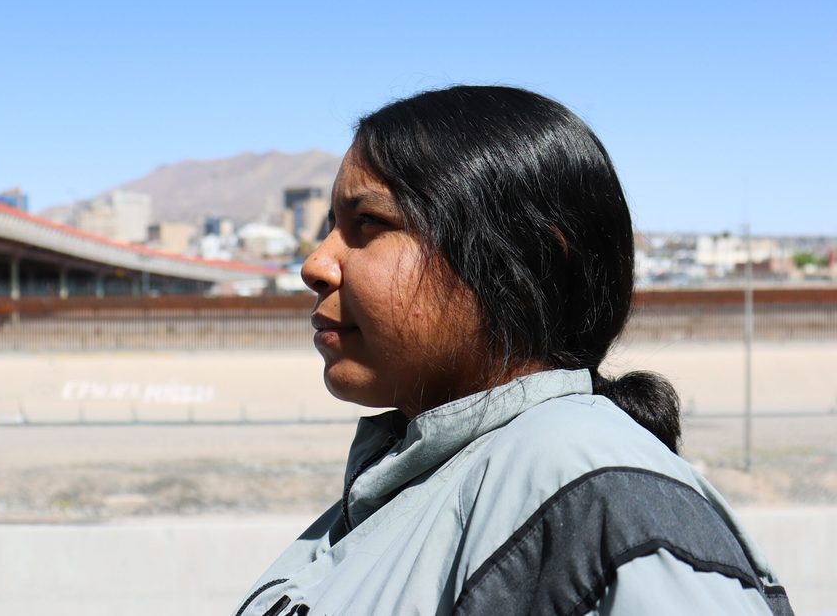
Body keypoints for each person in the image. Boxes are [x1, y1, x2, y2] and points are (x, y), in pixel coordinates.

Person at [234, 86, 793, 616]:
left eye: (370, 223)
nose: (315, 265)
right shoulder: (429, 475)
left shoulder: (588, 486)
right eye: (333, 225)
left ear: (524, 264)